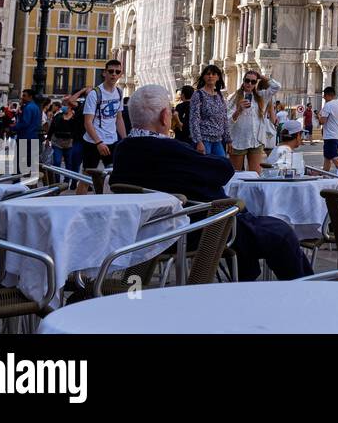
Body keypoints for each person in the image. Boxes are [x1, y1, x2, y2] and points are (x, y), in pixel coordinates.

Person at [111, 84, 313, 281]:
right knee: (280, 231)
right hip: (200, 230)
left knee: (255, 231)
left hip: (148, 231)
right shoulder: (170, 150)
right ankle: (304, 290)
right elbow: (223, 170)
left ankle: (246, 279)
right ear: (165, 116)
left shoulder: (123, 150)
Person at [81, 62, 127, 186]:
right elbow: (88, 122)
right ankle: (79, 203)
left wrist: (125, 139)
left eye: (117, 72)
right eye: (111, 71)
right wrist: (98, 142)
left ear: (120, 74)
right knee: (87, 178)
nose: (114, 74)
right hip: (93, 142)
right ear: (104, 73)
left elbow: (119, 119)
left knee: (113, 176)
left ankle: (108, 203)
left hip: (112, 141)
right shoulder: (94, 94)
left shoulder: (119, 92)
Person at [229, 69, 272, 173]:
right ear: (243, 81)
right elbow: (227, 120)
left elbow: (276, 86)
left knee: (255, 174)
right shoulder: (234, 98)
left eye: (253, 81)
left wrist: (260, 76)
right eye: (247, 80)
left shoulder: (261, 97)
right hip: (238, 140)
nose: (249, 84)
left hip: (256, 141)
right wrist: (239, 110)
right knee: (235, 174)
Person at [189, 64, 230, 158]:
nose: (210, 76)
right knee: (205, 168)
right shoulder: (198, 95)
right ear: (203, 77)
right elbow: (194, 119)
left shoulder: (219, 95)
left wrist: (228, 139)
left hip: (218, 140)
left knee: (221, 166)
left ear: (218, 77)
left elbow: (224, 118)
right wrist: (198, 141)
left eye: (214, 74)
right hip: (204, 139)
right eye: (208, 74)